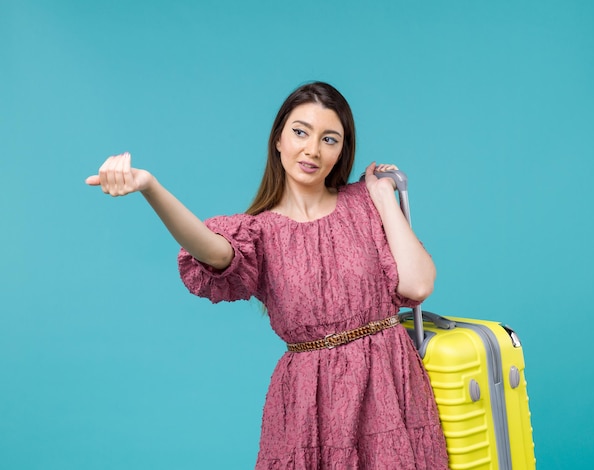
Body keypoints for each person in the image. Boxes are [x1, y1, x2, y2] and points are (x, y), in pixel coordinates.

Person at [86, 82, 449, 469]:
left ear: (342, 150)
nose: (312, 150)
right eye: (300, 132)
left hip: (391, 388)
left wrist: (380, 198)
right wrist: (150, 187)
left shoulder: (364, 203)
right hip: (310, 405)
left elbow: (418, 284)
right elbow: (211, 250)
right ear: (278, 139)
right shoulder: (260, 233)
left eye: (329, 139)